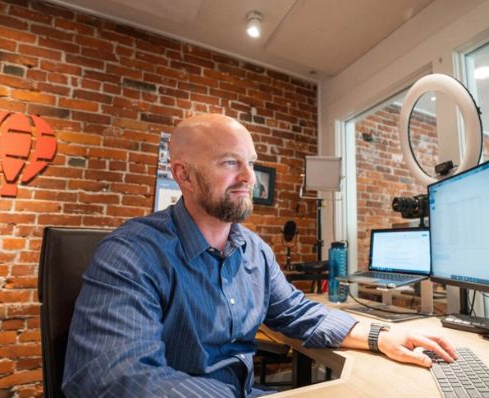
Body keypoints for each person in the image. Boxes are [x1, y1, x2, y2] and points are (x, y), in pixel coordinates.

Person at [62, 114, 457, 397]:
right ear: (182, 175)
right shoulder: (131, 253)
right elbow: (114, 378)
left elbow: (298, 313)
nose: (249, 178)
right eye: (230, 163)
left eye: (249, 162)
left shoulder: (254, 250)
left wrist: (381, 335)